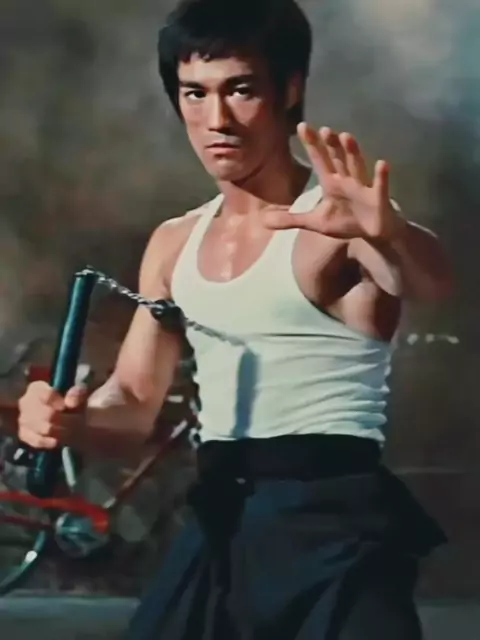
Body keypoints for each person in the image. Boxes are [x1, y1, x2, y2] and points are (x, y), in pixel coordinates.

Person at [18, 0, 454, 637]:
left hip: (333, 526)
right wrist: (68, 420)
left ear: (290, 89)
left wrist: (388, 234)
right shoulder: (175, 241)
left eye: (241, 89)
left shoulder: (337, 222)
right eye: (195, 93)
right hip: (221, 519)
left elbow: (429, 282)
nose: (216, 119)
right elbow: (133, 402)